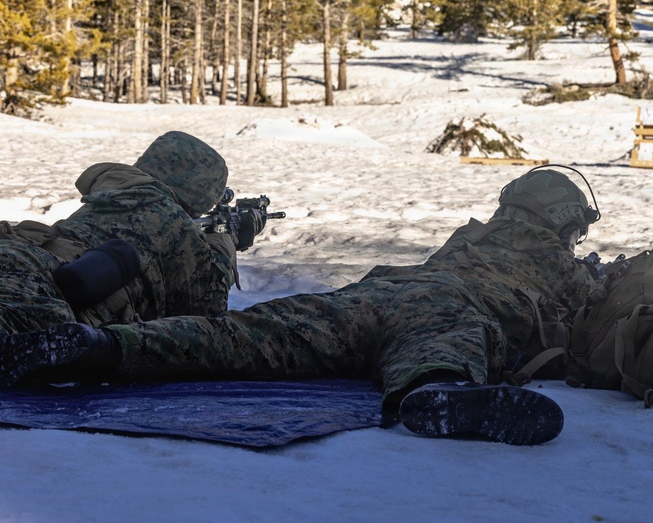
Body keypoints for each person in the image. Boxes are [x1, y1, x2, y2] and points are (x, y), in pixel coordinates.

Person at [0, 167, 601, 446]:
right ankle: (435, 390)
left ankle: (105, 348)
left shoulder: (468, 237)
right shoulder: (563, 267)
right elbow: (607, 319)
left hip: (367, 295)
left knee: (250, 336)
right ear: (566, 221)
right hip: (449, 310)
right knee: (441, 339)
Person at [0, 131, 262, 337]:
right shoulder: (174, 223)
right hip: (44, 302)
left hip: (19, 256)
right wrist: (225, 244)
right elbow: (207, 314)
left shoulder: (110, 194)